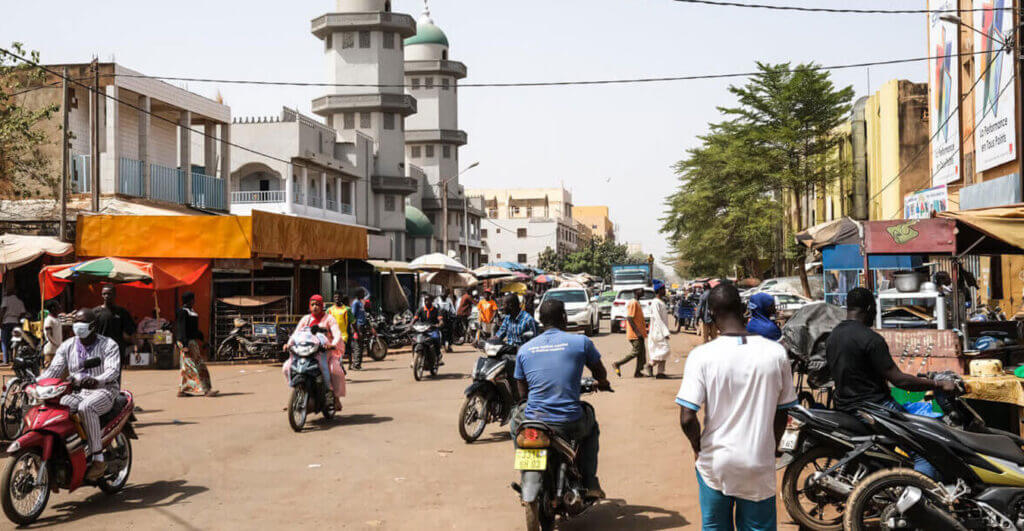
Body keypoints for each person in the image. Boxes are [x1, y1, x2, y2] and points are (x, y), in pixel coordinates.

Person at [677, 284, 798, 530]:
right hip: (758, 462)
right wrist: (771, 445)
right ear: (744, 309)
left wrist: (697, 448)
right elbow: (783, 411)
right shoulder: (776, 353)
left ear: (710, 313)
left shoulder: (702, 356)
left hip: (716, 462)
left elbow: (687, 417)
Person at [826, 287, 957, 479]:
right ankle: (918, 501)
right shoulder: (870, 339)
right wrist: (937, 384)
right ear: (871, 308)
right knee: (924, 452)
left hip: (845, 406)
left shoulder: (834, 336)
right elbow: (899, 380)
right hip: (875, 408)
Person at [512, 299, 612, 500]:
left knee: (516, 423)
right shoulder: (581, 342)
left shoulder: (524, 349)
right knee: (591, 424)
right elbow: (600, 372)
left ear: (540, 320)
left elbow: (522, 392)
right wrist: (602, 383)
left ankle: (526, 474)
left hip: (534, 420)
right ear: (564, 318)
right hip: (569, 423)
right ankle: (590, 481)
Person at [41, 308, 122, 481]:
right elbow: (54, 370)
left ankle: (98, 459)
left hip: (104, 390)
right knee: (57, 407)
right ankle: (69, 451)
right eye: (75, 322)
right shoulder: (67, 345)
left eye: (82, 323)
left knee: (86, 407)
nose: (77, 326)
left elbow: (112, 371)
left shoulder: (109, 345)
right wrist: (36, 382)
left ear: (93, 326)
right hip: (78, 390)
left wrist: (96, 380)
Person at [284, 295, 345, 408]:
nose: (315, 307)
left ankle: (334, 397)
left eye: (317, 304)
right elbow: (296, 334)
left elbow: (337, 334)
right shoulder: (306, 319)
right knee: (287, 367)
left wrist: (332, 345)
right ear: (309, 306)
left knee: (334, 370)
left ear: (322, 306)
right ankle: (296, 395)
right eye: (313, 304)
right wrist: (289, 344)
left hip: (325, 352)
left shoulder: (329, 319)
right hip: (306, 352)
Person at [177, 291, 218, 397]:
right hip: (186, 342)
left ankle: (182, 390)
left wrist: (202, 339)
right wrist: (185, 345)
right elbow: (182, 329)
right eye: (193, 299)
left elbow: (194, 329)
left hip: (191, 341)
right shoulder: (183, 312)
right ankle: (206, 389)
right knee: (198, 366)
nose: (194, 301)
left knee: (186, 367)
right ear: (190, 300)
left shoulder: (191, 311)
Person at [94, 285, 135, 364]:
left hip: (117, 349)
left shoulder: (122, 312)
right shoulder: (95, 312)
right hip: (99, 349)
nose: (106, 296)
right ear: (101, 295)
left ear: (115, 295)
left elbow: (130, 331)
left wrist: (135, 347)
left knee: (115, 374)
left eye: (109, 294)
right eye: (104, 294)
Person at [613, 287, 647, 378]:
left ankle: (638, 372)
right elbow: (629, 318)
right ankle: (618, 363)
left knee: (642, 353)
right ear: (636, 292)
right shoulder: (633, 303)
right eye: (640, 290)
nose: (643, 291)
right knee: (636, 352)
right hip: (635, 334)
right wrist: (637, 332)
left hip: (640, 333)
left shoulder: (637, 302)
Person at [646, 281, 671, 378]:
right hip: (658, 331)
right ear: (659, 290)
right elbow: (658, 318)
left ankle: (660, 372)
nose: (665, 291)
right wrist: (665, 332)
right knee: (664, 350)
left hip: (661, 330)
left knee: (662, 351)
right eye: (663, 289)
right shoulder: (655, 302)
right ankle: (650, 364)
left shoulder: (661, 302)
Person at [412, 293, 443, 365]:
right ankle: (414, 360)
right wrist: (411, 325)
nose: (426, 302)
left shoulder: (436, 310)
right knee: (414, 341)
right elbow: (415, 319)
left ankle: (438, 357)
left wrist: (439, 324)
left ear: (432, 301)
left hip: (432, 330)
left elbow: (440, 320)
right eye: (425, 300)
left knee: (436, 338)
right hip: (422, 330)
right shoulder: (420, 310)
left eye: (428, 300)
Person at [0, 283, 26, 364]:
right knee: (14, 342)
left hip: (6, 322)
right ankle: (13, 359)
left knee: (4, 341)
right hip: (16, 323)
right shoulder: (19, 302)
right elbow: (23, 313)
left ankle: (6, 360)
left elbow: (3, 310)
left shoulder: (6, 299)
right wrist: (18, 318)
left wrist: (0, 321)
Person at [350, 288, 371, 370]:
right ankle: (356, 364)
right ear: (358, 294)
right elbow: (353, 316)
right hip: (358, 326)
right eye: (362, 293)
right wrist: (355, 330)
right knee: (358, 345)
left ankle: (358, 363)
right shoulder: (355, 303)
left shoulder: (361, 302)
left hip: (362, 325)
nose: (363, 294)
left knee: (361, 345)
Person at [328, 291, 353, 360]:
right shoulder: (329, 310)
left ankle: (349, 363)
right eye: (335, 297)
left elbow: (353, 322)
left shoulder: (347, 309)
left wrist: (356, 331)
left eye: (338, 297)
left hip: (344, 335)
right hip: (333, 335)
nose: (337, 298)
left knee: (344, 352)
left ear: (341, 298)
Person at [42, 299, 64, 367]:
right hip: (51, 349)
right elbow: (48, 335)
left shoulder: (56, 318)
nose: (59, 308)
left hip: (57, 348)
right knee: (49, 368)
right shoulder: (49, 320)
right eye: (58, 306)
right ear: (53, 308)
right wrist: (57, 344)